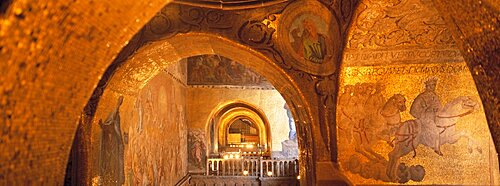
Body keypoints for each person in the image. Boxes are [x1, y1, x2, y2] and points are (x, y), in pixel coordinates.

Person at [410, 77, 442, 155]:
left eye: (434, 85)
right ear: (428, 86)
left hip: (434, 117)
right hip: (426, 118)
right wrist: (424, 111)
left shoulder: (435, 96)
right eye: (432, 85)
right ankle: (436, 148)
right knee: (436, 132)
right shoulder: (421, 97)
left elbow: (439, 107)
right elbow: (413, 110)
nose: (434, 87)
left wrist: (436, 110)